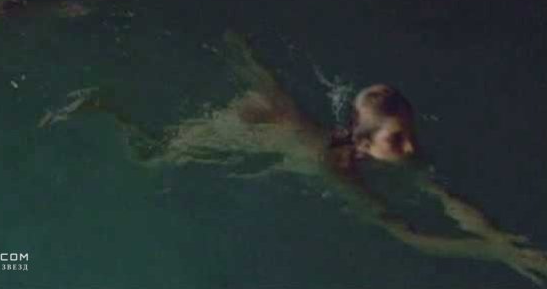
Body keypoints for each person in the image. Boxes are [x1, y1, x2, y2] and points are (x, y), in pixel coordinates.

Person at [40, 32, 547, 285]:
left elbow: (441, 194)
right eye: (398, 140)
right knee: (149, 157)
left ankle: (241, 52)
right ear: (365, 144)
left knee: (272, 92)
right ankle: (104, 106)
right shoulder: (334, 168)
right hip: (247, 127)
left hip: (281, 115)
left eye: (410, 136)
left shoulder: (368, 145)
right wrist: (495, 254)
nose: (411, 148)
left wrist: (502, 238)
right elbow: (406, 234)